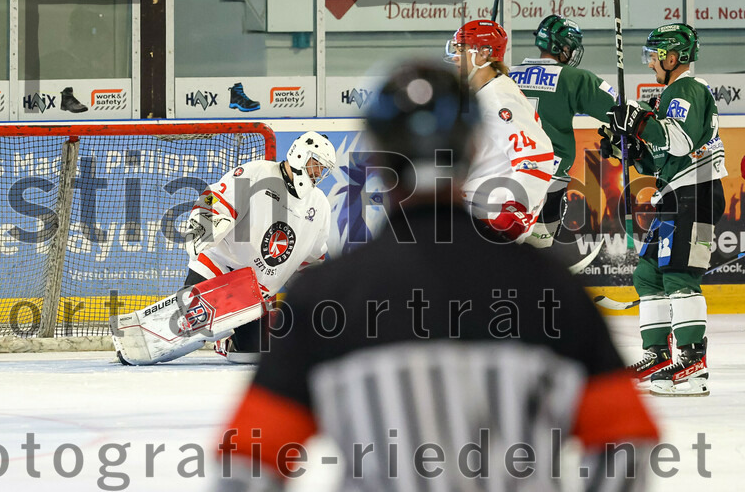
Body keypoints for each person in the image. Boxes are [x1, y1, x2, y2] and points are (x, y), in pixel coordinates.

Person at [214, 61, 658, 491]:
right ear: (472, 149)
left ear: (378, 160)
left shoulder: (326, 296)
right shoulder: (551, 287)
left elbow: (247, 460)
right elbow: (628, 443)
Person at [603, 23, 726, 396]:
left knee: (678, 274)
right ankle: (658, 355)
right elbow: (657, 159)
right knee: (648, 275)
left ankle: (692, 366)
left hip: (696, 192)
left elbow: (678, 139)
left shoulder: (687, 88)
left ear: (673, 57)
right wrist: (627, 146)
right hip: (676, 193)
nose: (651, 62)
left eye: (655, 55)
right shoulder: (669, 95)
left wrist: (639, 122)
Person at [180, 131, 335, 363]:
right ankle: (197, 320)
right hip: (218, 269)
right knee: (190, 326)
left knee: (250, 355)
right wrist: (204, 222)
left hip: (254, 293)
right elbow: (213, 197)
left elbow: (311, 261)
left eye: (323, 168)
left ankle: (226, 340)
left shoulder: (319, 204)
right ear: (301, 155)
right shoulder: (256, 173)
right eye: (317, 165)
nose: (319, 173)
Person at [509, 15, 617, 246]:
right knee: (537, 254)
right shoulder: (574, 78)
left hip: (508, 177)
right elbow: (619, 111)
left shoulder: (507, 76)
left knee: (503, 251)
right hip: (549, 178)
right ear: (562, 46)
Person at [445, 19, 555, 243]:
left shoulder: (498, 97)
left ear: (484, 54)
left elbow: (536, 156)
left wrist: (515, 211)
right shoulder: (484, 93)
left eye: (461, 49)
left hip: (492, 218)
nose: (455, 56)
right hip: (475, 212)